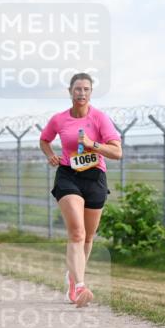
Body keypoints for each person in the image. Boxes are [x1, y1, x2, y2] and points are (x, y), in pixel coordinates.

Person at [39, 72, 122, 307]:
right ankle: (80, 285)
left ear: (91, 93)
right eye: (77, 89)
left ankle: (73, 277)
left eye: (86, 89)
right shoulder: (59, 119)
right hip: (68, 175)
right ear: (70, 91)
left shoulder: (99, 118)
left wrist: (92, 145)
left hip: (95, 176)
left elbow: (117, 152)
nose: (81, 93)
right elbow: (44, 139)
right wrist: (50, 155)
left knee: (88, 236)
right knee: (77, 232)